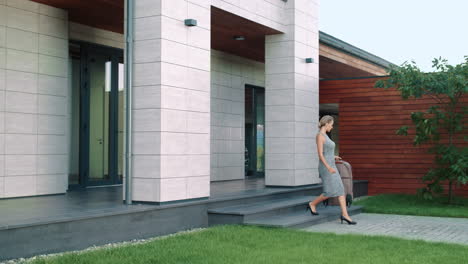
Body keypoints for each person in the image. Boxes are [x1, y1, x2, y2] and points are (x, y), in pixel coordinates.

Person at [306, 115, 357, 225]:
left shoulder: (326, 136)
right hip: (326, 167)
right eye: (332, 125)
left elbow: (326, 151)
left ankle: (345, 215)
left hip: (331, 166)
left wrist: (333, 157)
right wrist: (328, 166)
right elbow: (320, 154)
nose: (332, 127)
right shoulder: (320, 136)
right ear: (327, 123)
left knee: (340, 190)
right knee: (329, 192)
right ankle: (312, 204)